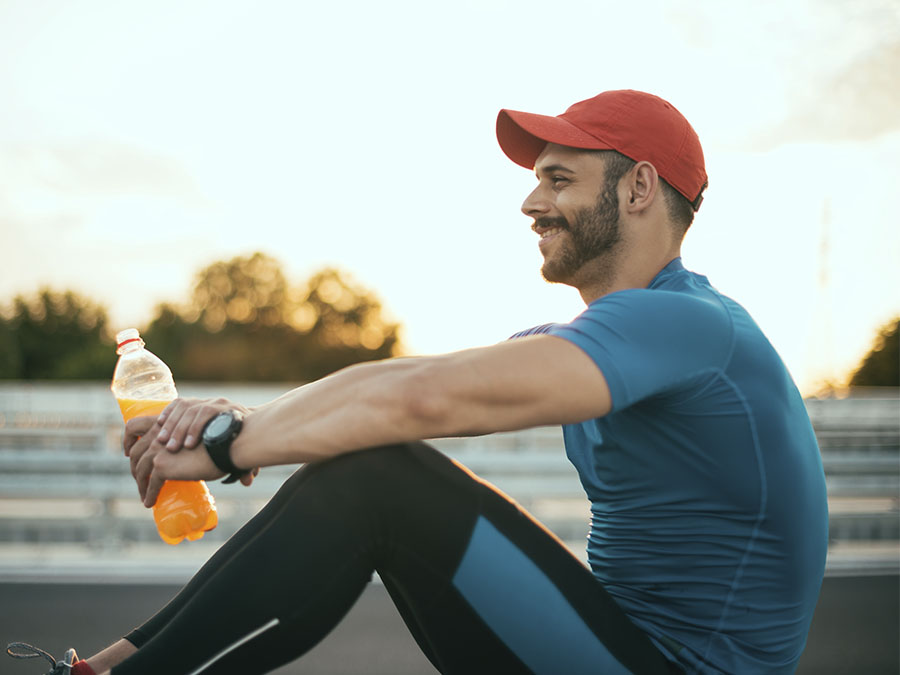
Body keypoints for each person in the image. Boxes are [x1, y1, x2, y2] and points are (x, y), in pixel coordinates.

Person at [8, 89, 828, 675]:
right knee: (371, 465)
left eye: (559, 178)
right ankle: (110, 668)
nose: (530, 201)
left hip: (671, 664)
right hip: (615, 639)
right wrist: (242, 423)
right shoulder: (608, 335)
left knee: (379, 482)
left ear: (640, 187)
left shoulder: (691, 322)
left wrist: (229, 445)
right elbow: (400, 385)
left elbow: (421, 402)